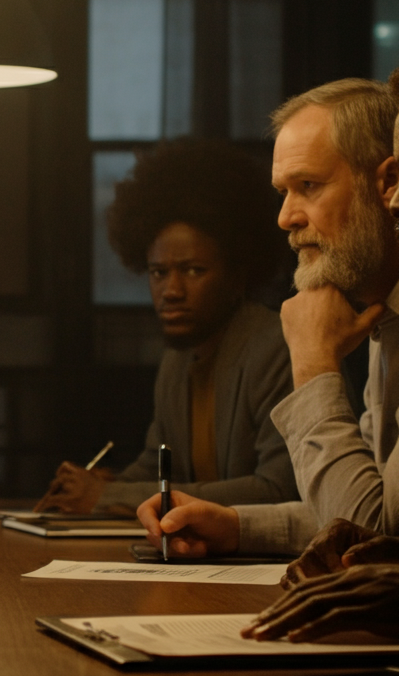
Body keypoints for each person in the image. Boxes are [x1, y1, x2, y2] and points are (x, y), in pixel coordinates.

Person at [138, 77, 399, 559]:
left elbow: (371, 539)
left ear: (389, 183)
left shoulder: (328, 334)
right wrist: (236, 527)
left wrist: (314, 365)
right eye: (283, 192)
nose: (286, 217)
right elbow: (362, 507)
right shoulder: (387, 323)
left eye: (308, 186)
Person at [36, 138, 297, 515]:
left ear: (238, 275)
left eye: (193, 271)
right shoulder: (177, 360)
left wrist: (109, 498)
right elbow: (155, 467)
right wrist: (91, 490)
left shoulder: (279, 348)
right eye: (159, 272)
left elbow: (278, 490)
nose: (171, 291)